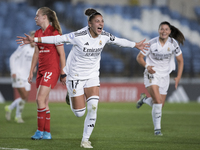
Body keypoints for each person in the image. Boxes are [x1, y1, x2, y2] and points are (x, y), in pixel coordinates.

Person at [17, 8, 149, 148]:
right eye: (97, 21)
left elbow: (118, 41)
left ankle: (85, 139)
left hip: (92, 76)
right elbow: (58, 38)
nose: (101, 24)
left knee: (93, 107)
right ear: (89, 24)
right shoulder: (79, 35)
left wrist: (135, 45)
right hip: (75, 76)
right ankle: (70, 93)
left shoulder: (104, 36)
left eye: (102, 21)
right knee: (79, 113)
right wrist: (35, 39)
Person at [23, 7, 66, 140]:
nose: (35, 18)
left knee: (39, 99)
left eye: (37, 16)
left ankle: (39, 131)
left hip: (51, 69)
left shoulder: (55, 33)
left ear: (45, 17)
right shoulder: (37, 33)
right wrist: (31, 71)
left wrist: (63, 71)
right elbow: (36, 53)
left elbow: (62, 53)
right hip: (41, 70)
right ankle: (47, 133)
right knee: (44, 102)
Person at [136, 21, 184, 136]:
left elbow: (180, 61)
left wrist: (178, 77)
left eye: (166, 29)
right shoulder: (151, 43)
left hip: (165, 76)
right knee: (157, 101)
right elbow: (139, 58)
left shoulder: (173, 44)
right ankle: (157, 130)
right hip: (151, 73)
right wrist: (147, 66)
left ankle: (144, 100)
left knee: (159, 105)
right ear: (158, 31)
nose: (164, 31)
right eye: (162, 29)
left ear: (170, 31)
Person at [5, 31, 35, 123]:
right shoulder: (23, 47)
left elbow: (33, 62)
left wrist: (34, 68)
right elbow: (12, 57)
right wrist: (13, 71)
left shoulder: (36, 50)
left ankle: (9, 108)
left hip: (27, 77)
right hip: (18, 74)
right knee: (24, 96)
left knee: (24, 98)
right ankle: (18, 116)